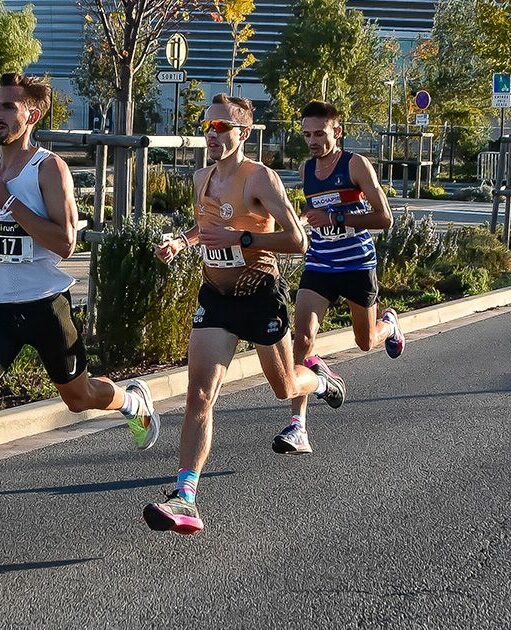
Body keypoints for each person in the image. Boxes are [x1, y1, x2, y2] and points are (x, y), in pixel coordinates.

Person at [0, 73, 160, 556]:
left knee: (79, 398)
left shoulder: (50, 169)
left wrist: (6, 202)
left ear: (32, 115)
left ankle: (131, 403)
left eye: (8, 107)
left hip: (46, 306)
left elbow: (64, 242)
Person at [143, 94, 346, 535]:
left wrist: (243, 240)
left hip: (259, 295)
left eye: (222, 128)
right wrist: (183, 241)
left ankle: (323, 379)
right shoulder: (202, 177)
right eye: (207, 127)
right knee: (199, 395)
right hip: (216, 298)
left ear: (244, 133)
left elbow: (297, 241)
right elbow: (207, 224)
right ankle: (186, 497)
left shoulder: (261, 179)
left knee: (285, 386)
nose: (212, 135)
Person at [272, 100, 404, 456]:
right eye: (307, 135)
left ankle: (389, 325)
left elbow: (385, 218)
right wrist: (306, 221)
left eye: (319, 133)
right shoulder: (306, 169)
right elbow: (316, 212)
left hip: (358, 265)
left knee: (364, 341)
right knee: (302, 339)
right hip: (320, 264)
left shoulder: (355, 164)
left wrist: (338, 219)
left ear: (337, 130)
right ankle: (299, 427)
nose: (313, 141)